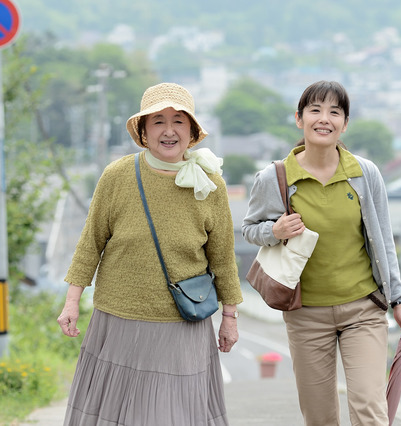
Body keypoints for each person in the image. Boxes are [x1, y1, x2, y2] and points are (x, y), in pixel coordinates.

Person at [57, 82, 243, 426]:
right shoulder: (117, 175)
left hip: (183, 325)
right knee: (115, 414)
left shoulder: (209, 184)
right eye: (158, 121)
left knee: (174, 415)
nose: (169, 131)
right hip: (119, 320)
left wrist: (229, 317)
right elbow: (90, 241)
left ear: (192, 131)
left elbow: (223, 258)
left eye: (178, 121)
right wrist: (72, 301)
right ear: (143, 131)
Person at [242, 80, 401, 426]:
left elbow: (383, 242)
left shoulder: (364, 174)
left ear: (345, 123)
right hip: (305, 314)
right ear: (299, 119)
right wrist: (274, 231)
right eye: (315, 110)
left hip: (363, 310)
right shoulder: (275, 178)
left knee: (370, 411)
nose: (324, 119)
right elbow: (250, 229)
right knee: (320, 417)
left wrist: (398, 302)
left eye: (334, 112)